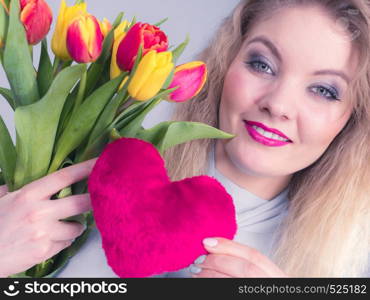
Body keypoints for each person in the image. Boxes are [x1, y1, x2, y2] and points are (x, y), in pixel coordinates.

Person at [1, 0, 370, 278]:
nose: (278, 105)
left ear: (351, 119)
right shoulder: (84, 170)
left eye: (324, 90)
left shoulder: (342, 266)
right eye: (262, 64)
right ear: (226, 64)